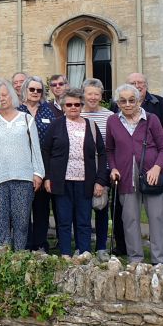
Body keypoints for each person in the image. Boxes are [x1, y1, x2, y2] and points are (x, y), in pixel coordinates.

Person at [106, 84, 163, 265]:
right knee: (130, 218)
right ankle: (135, 259)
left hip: (151, 175)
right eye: (123, 101)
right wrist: (113, 168)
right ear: (118, 103)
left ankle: (159, 260)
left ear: (139, 101)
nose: (127, 104)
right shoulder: (113, 121)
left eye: (131, 100)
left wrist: (157, 168)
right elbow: (109, 149)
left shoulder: (151, 119)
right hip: (125, 175)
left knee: (156, 217)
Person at [43, 87, 108, 257]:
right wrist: (47, 177)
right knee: (64, 219)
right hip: (61, 181)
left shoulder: (91, 125)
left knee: (84, 219)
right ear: (64, 106)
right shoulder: (56, 125)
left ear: (81, 106)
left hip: (85, 181)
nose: (73, 107)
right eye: (69, 104)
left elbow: (102, 153)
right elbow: (46, 151)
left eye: (77, 104)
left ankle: (84, 252)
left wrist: (100, 180)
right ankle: (65, 253)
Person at [0, 81, 44, 250]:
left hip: (23, 178)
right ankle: (4, 256)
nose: (2, 99)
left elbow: (35, 149)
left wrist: (38, 173)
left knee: (21, 222)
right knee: (0, 222)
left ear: (12, 95)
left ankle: (19, 256)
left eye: (5, 94)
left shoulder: (26, 119)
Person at [16, 75, 56, 252]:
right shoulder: (16, 110)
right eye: (32, 89)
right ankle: (25, 244)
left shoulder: (48, 111)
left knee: (41, 208)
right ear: (25, 90)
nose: (35, 92)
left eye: (39, 90)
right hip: (21, 165)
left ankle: (40, 244)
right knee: (23, 209)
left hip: (43, 166)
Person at [80, 78, 115, 258]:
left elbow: (112, 145)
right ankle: (83, 246)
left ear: (101, 96)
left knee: (101, 208)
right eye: (89, 94)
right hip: (81, 169)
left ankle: (101, 247)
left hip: (103, 168)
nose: (93, 97)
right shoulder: (76, 113)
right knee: (82, 210)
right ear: (83, 95)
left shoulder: (110, 116)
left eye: (96, 94)